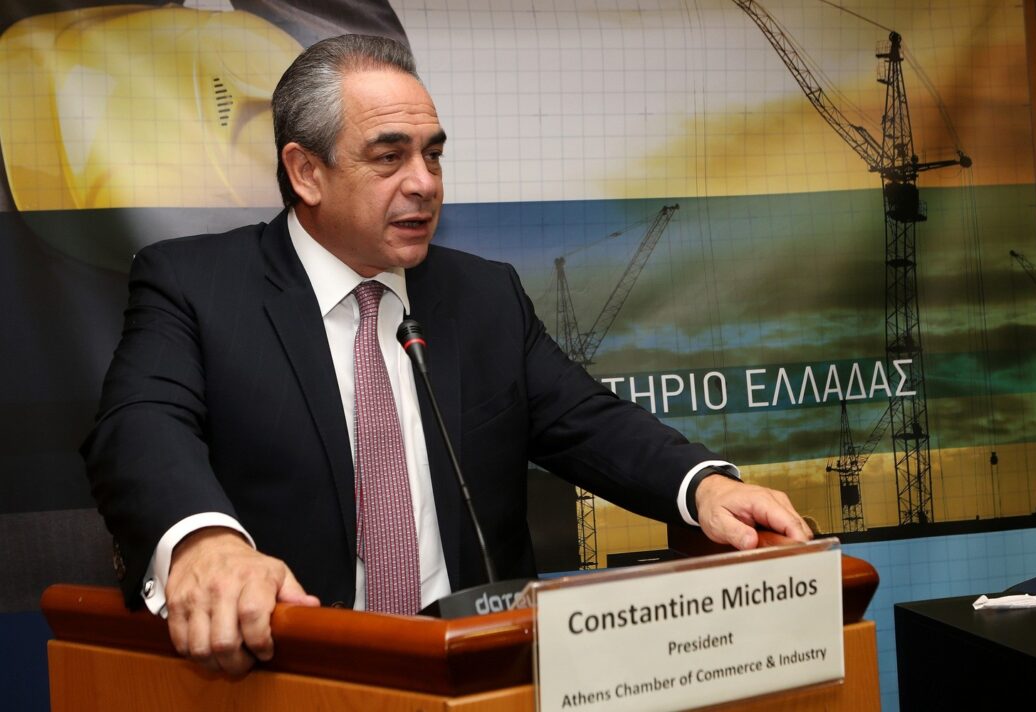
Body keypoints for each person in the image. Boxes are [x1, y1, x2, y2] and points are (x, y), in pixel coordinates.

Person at [82, 34, 813, 677]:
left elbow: (587, 420)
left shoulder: (483, 295)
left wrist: (701, 486)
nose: (425, 183)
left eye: (432, 154)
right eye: (389, 156)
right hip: (298, 675)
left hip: (480, 672)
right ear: (305, 172)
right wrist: (205, 542)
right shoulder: (197, 286)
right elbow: (140, 426)